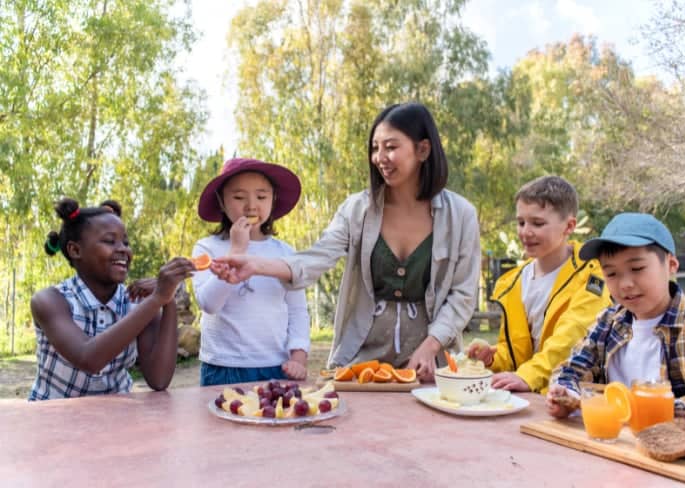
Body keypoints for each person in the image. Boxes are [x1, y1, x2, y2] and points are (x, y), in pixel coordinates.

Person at [212, 102, 481, 382]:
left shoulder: (461, 216)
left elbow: (463, 295)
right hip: (362, 357)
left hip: (429, 363)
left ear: (423, 150)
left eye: (390, 147)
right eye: (375, 148)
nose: (379, 157)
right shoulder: (356, 210)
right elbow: (316, 258)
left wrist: (431, 346)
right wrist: (254, 264)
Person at [546, 213, 685, 432]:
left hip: (679, 457)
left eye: (637, 269)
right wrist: (566, 395)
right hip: (617, 451)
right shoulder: (608, 322)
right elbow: (571, 371)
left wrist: (639, 409)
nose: (625, 284)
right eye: (611, 273)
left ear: (671, 265)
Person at [29, 198, 193, 400]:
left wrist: (167, 301)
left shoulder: (138, 303)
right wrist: (157, 298)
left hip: (116, 418)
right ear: (75, 250)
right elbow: (88, 358)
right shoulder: (50, 301)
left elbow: (159, 380)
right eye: (109, 241)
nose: (123, 249)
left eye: (125, 242)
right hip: (53, 419)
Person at [467, 176, 611, 393]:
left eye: (538, 223)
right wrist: (492, 358)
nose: (526, 232)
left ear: (569, 226)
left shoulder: (592, 277)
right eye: (521, 222)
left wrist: (527, 376)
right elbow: (517, 350)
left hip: (569, 397)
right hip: (525, 397)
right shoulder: (513, 282)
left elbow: (570, 341)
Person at [194, 157, 310, 386]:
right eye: (238, 197)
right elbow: (208, 304)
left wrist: (298, 357)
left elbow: (298, 311)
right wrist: (237, 249)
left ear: (273, 200)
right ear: (221, 201)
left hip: (276, 365)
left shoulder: (286, 253)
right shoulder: (207, 248)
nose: (251, 206)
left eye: (261, 196)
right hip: (222, 366)